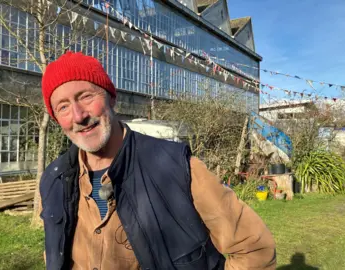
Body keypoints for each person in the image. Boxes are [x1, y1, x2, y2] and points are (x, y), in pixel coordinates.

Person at [40, 51, 276, 270]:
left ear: (112, 98)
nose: (78, 116)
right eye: (63, 107)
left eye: (86, 97)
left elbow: (253, 249)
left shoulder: (176, 166)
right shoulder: (54, 179)